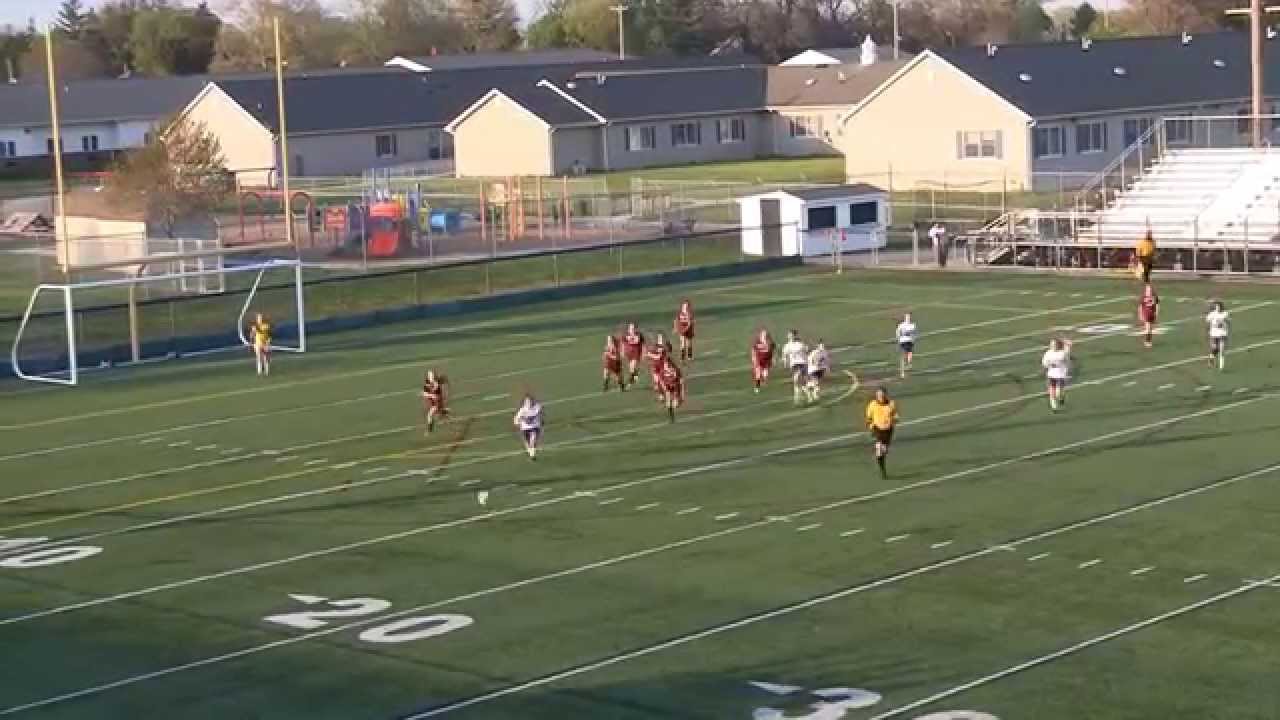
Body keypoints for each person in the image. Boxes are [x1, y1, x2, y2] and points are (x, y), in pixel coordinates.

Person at [865, 386, 899, 479]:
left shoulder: (891, 404)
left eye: (882, 395)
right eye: (878, 395)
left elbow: (896, 416)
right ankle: (882, 470)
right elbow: (868, 418)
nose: (880, 397)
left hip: (888, 431)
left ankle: (881, 458)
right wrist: (870, 427)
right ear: (876, 395)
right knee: (879, 450)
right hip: (877, 429)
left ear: (885, 395)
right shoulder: (872, 405)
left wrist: (894, 419)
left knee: (883, 451)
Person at [1041, 338, 1072, 411]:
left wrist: (1067, 345)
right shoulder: (1048, 353)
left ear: (1058, 345)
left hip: (1060, 374)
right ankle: (1053, 406)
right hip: (1051, 374)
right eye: (1051, 344)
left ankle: (1061, 398)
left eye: (1054, 344)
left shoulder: (1062, 353)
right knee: (1052, 390)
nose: (1052, 346)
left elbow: (1067, 360)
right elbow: (1044, 362)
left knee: (1058, 393)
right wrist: (1047, 365)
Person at [780, 330, 809, 405]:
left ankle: (802, 396)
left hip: (802, 363)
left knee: (799, 380)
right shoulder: (786, 346)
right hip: (794, 364)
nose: (790, 336)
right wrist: (785, 361)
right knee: (797, 381)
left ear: (795, 336)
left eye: (792, 335)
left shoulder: (800, 344)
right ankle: (799, 397)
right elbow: (784, 355)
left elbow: (806, 351)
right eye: (789, 335)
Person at [512, 393, 544, 460]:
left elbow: (541, 413)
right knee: (528, 443)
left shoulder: (537, 407)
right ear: (524, 402)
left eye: (529, 401)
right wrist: (517, 423)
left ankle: (532, 455)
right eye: (527, 402)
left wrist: (541, 419)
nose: (528, 403)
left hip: (535, 427)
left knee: (533, 440)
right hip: (525, 428)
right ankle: (531, 452)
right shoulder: (522, 410)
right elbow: (516, 418)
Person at [645, 333, 673, 401]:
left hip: (664, 366)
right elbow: (648, 354)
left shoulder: (666, 345)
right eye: (659, 338)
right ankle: (661, 395)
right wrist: (655, 356)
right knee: (657, 381)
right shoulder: (653, 346)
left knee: (665, 381)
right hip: (655, 366)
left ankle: (669, 392)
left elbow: (670, 351)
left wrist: (668, 345)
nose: (661, 339)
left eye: (662, 337)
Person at [659, 357, 685, 422]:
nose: (666, 365)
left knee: (676, 404)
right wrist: (663, 389)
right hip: (668, 386)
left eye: (667, 364)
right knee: (668, 400)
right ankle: (671, 417)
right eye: (665, 364)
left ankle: (673, 407)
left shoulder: (675, 370)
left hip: (676, 386)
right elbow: (661, 380)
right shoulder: (662, 370)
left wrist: (682, 394)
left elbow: (681, 381)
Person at [750, 328, 776, 393]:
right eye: (763, 335)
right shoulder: (757, 343)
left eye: (766, 335)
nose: (764, 336)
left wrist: (774, 359)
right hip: (759, 361)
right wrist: (754, 359)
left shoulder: (771, 343)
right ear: (760, 335)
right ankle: (757, 387)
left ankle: (763, 381)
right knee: (758, 374)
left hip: (767, 361)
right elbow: (753, 350)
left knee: (765, 375)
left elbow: (774, 352)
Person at [422, 370, 448, 434]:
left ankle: (430, 429)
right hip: (435, 402)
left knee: (430, 415)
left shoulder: (436, 386)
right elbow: (425, 393)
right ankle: (443, 411)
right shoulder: (431, 383)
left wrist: (430, 394)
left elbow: (435, 395)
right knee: (432, 414)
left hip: (436, 403)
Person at [1206, 300, 1230, 371]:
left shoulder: (1225, 313)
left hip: (1222, 333)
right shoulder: (1212, 314)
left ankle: (1221, 366)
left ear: (1221, 307)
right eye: (1216, 307)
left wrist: (1224, 323)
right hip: (1214, 333)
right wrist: (1213, 325)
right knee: (1215, 348)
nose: (1218, 308)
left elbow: (1228, 321)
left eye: (1219, 307)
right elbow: (1207, 321)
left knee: (1222, 350)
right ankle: (1211, 358)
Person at [249, 312, 272, 377]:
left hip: (265, 343)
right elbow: (252, 335)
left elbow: (269, 335)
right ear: (257, 319)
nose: (260, 319)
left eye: (261, 318)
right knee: (259, 357)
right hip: (258, 343)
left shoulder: (266, 325)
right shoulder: (254, 326)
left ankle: (267, 371)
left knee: (266, 357)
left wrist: (268, 342)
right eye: (259, 318)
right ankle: (259, 371)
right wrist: (251, 344)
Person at [895, 313, 917, 379]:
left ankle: (908, 364)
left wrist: (913, 339)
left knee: (910, 354)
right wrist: (898, 339)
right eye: (907, 317)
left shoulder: (913, 325)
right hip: (903, 341)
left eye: (909, 317)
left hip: (910, 341)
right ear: (905, 318)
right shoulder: (901, 325)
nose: (908, 318)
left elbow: (914, 333)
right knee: (904, 356)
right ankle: (903, 372)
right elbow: (897, 332)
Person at [1138, 283, 1159, 348]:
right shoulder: (1143, 296)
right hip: (1146, 312)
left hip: (1152, 312)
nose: (1148, 291)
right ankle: (1148, 341)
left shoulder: (1154, 296)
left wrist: (1156, 312)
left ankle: (1148, 340)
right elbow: (1140, 306)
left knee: (1150, 328)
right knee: (1148, 327)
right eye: (1147, 289)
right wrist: (1140, 314)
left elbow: (1157, 304)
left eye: (1149, 289)